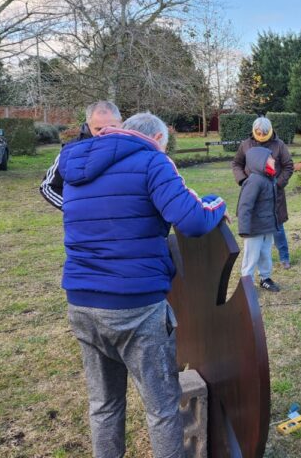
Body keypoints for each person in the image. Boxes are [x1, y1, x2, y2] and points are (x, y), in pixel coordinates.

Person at [58, 112, 227, 458]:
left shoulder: (74, 162)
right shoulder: (153, 161)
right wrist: (215, 202)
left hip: (81, 302)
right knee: (162, 408)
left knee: (103, 404)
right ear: (158, 139)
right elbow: (193, 220)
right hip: (134, 306)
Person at [232, 117, 295, 269]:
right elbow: (237, 164)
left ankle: (284, 256)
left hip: (275, 194)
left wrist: (278, 184)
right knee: (256, 226)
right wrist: (244, 181)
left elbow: (288, 166)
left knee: (278, 225)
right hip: (253, 192)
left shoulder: (279, 145)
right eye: (258, 132)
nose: (261, 135)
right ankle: (257, 259)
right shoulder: (246, 145)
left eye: (264, 132)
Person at [39, 100, 122, 209]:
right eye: (98, 129)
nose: (105, 132)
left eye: (112, 127)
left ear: (121, 123)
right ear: (88, 125)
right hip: (87, 223)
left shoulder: (136, 146)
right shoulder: (71, 150)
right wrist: (74, 209)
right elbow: (48, 186)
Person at [236, 147, 282, 292]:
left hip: (266, 226)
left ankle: (265, 278)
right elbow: (245, 206)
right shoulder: (254, 181)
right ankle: (247, 283)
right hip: (254, 228)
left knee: (265, 253)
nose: (273, 160)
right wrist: (244, 229)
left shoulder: (269, 178)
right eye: (270, 158)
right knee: (251, 256)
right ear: (259, 161)